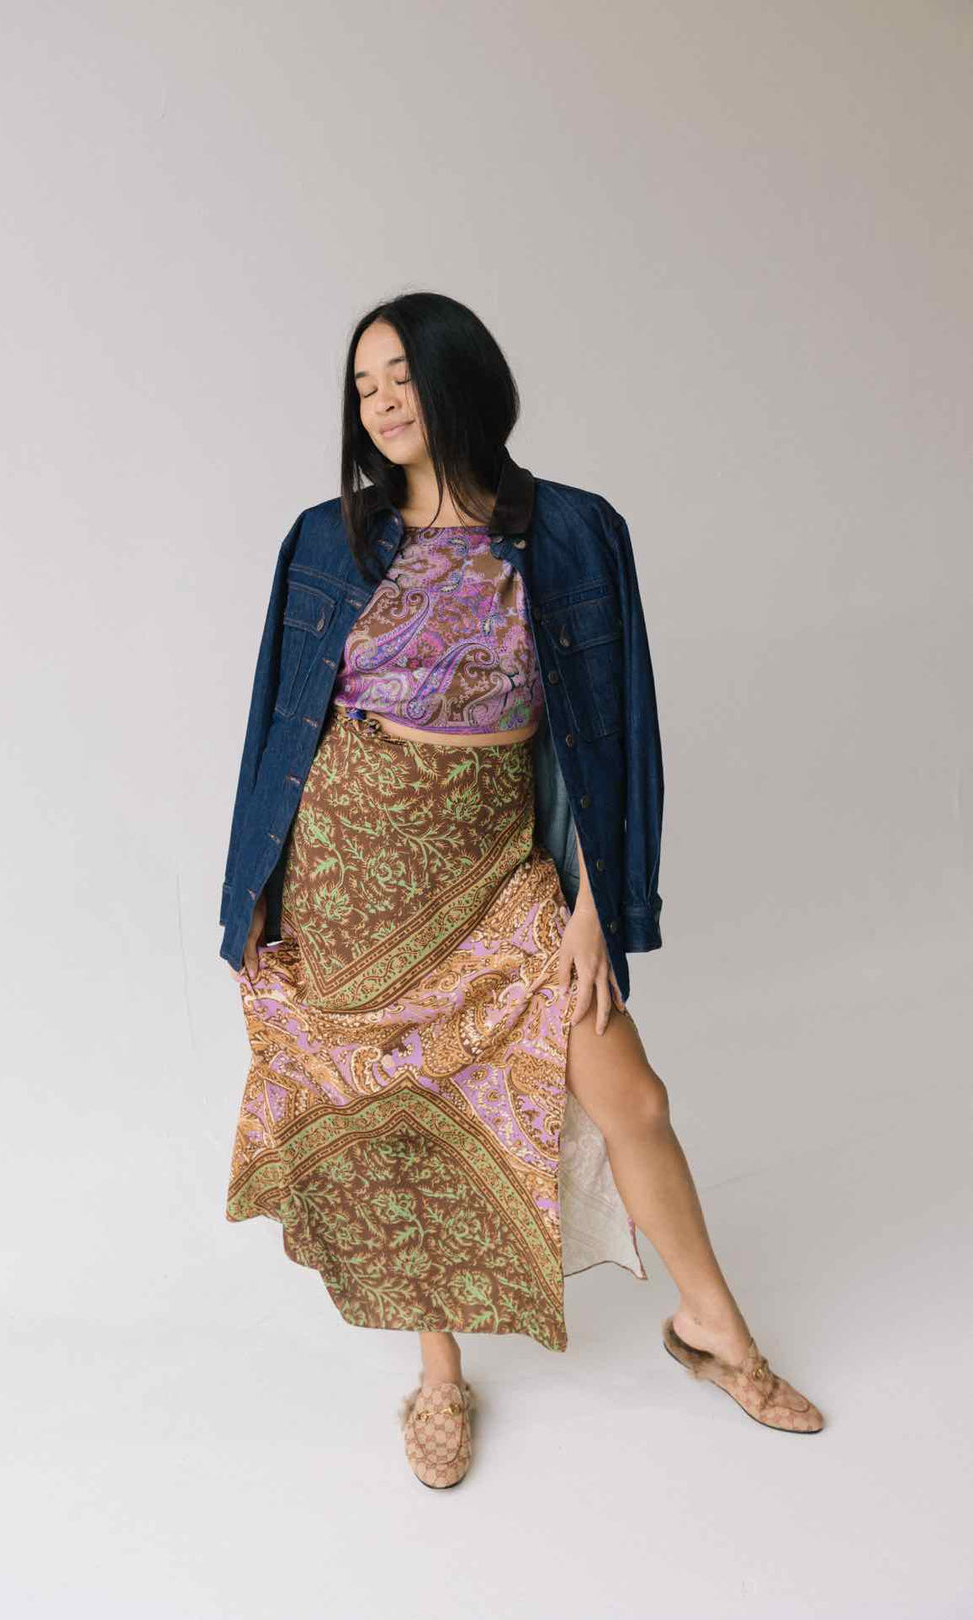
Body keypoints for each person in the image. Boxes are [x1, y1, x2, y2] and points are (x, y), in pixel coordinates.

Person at [218, 291, 824, 1488]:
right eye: (362, 386)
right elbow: (277, 723)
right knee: (390, 1124)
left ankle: (713, 1331)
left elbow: (614, 733)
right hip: (347, 881)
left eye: (400, 375)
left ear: (459, 377)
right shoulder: (326, 539)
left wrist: (598, 905)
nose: (380, 403)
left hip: (499, 875)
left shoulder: (573, 532)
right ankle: (438, 1376)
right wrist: (257, 890)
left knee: (631, 1095)